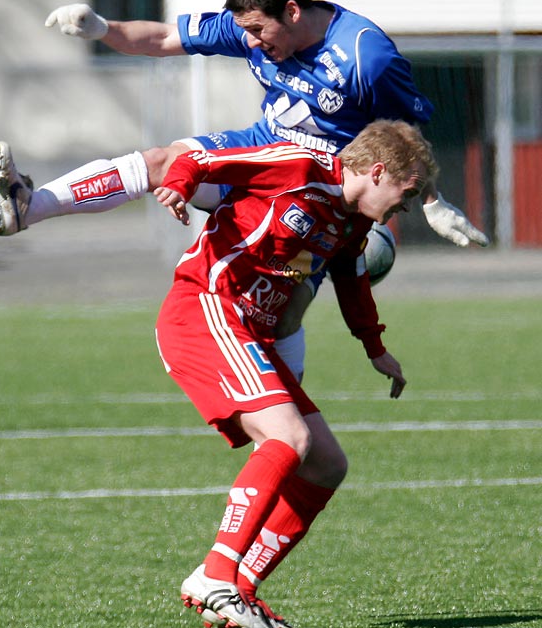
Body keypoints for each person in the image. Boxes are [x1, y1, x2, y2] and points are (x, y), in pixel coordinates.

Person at [0, 0, 488, 382]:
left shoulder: (366, 57)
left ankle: (288, 421)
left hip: (317, 191)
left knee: (286, 312)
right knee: (167, 160)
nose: (249, 41)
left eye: (257, 30)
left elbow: (409, 135)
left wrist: (430, 199)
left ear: (291, 12)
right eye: (243, 29)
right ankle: (29, 207)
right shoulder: (250, 26)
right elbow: (159, 39)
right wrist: (100, 28)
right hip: (261, 156)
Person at [152, 119, 439, 628]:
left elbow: (351, 278)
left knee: (326, 463)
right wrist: (176, 187)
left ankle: (237, 593)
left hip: (250, 333)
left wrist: (374, 347)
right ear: (376, 172)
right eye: (408, 191)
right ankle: (216, 573)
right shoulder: (298, 166)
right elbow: (199, 161)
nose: (408, 205)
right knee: (288, 437)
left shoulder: (351, 223)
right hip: (206, 309)